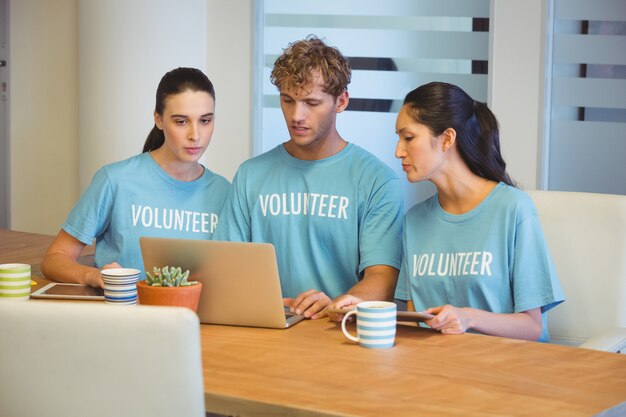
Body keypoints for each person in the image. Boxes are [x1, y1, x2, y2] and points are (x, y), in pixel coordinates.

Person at [214, 36, 403, 319]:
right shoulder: (251, 175)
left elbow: (382, 280)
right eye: (287, 101)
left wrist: (335, 306)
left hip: (339, 334)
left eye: (311, 103)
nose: (296, 115)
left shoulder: (377, 181)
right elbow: (225, 266)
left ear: (341, 102)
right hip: (266, 330)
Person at [394, 81, 564, 342]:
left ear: (447, 138)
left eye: (408, 137)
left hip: (503, 371)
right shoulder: (415, 221)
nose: (398, 151)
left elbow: (532, 328)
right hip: (434, 371)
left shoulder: (513, 209)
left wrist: (468, 318)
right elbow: (415, 326)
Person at [41, 67, 230, 288]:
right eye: (181, 121)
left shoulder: (225, 192)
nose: (195, 135)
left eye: (205, 121)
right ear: (158, 120)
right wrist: (93, 276)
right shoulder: (115, 180)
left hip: (196, 321)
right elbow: (55, 257)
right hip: (123, 317)